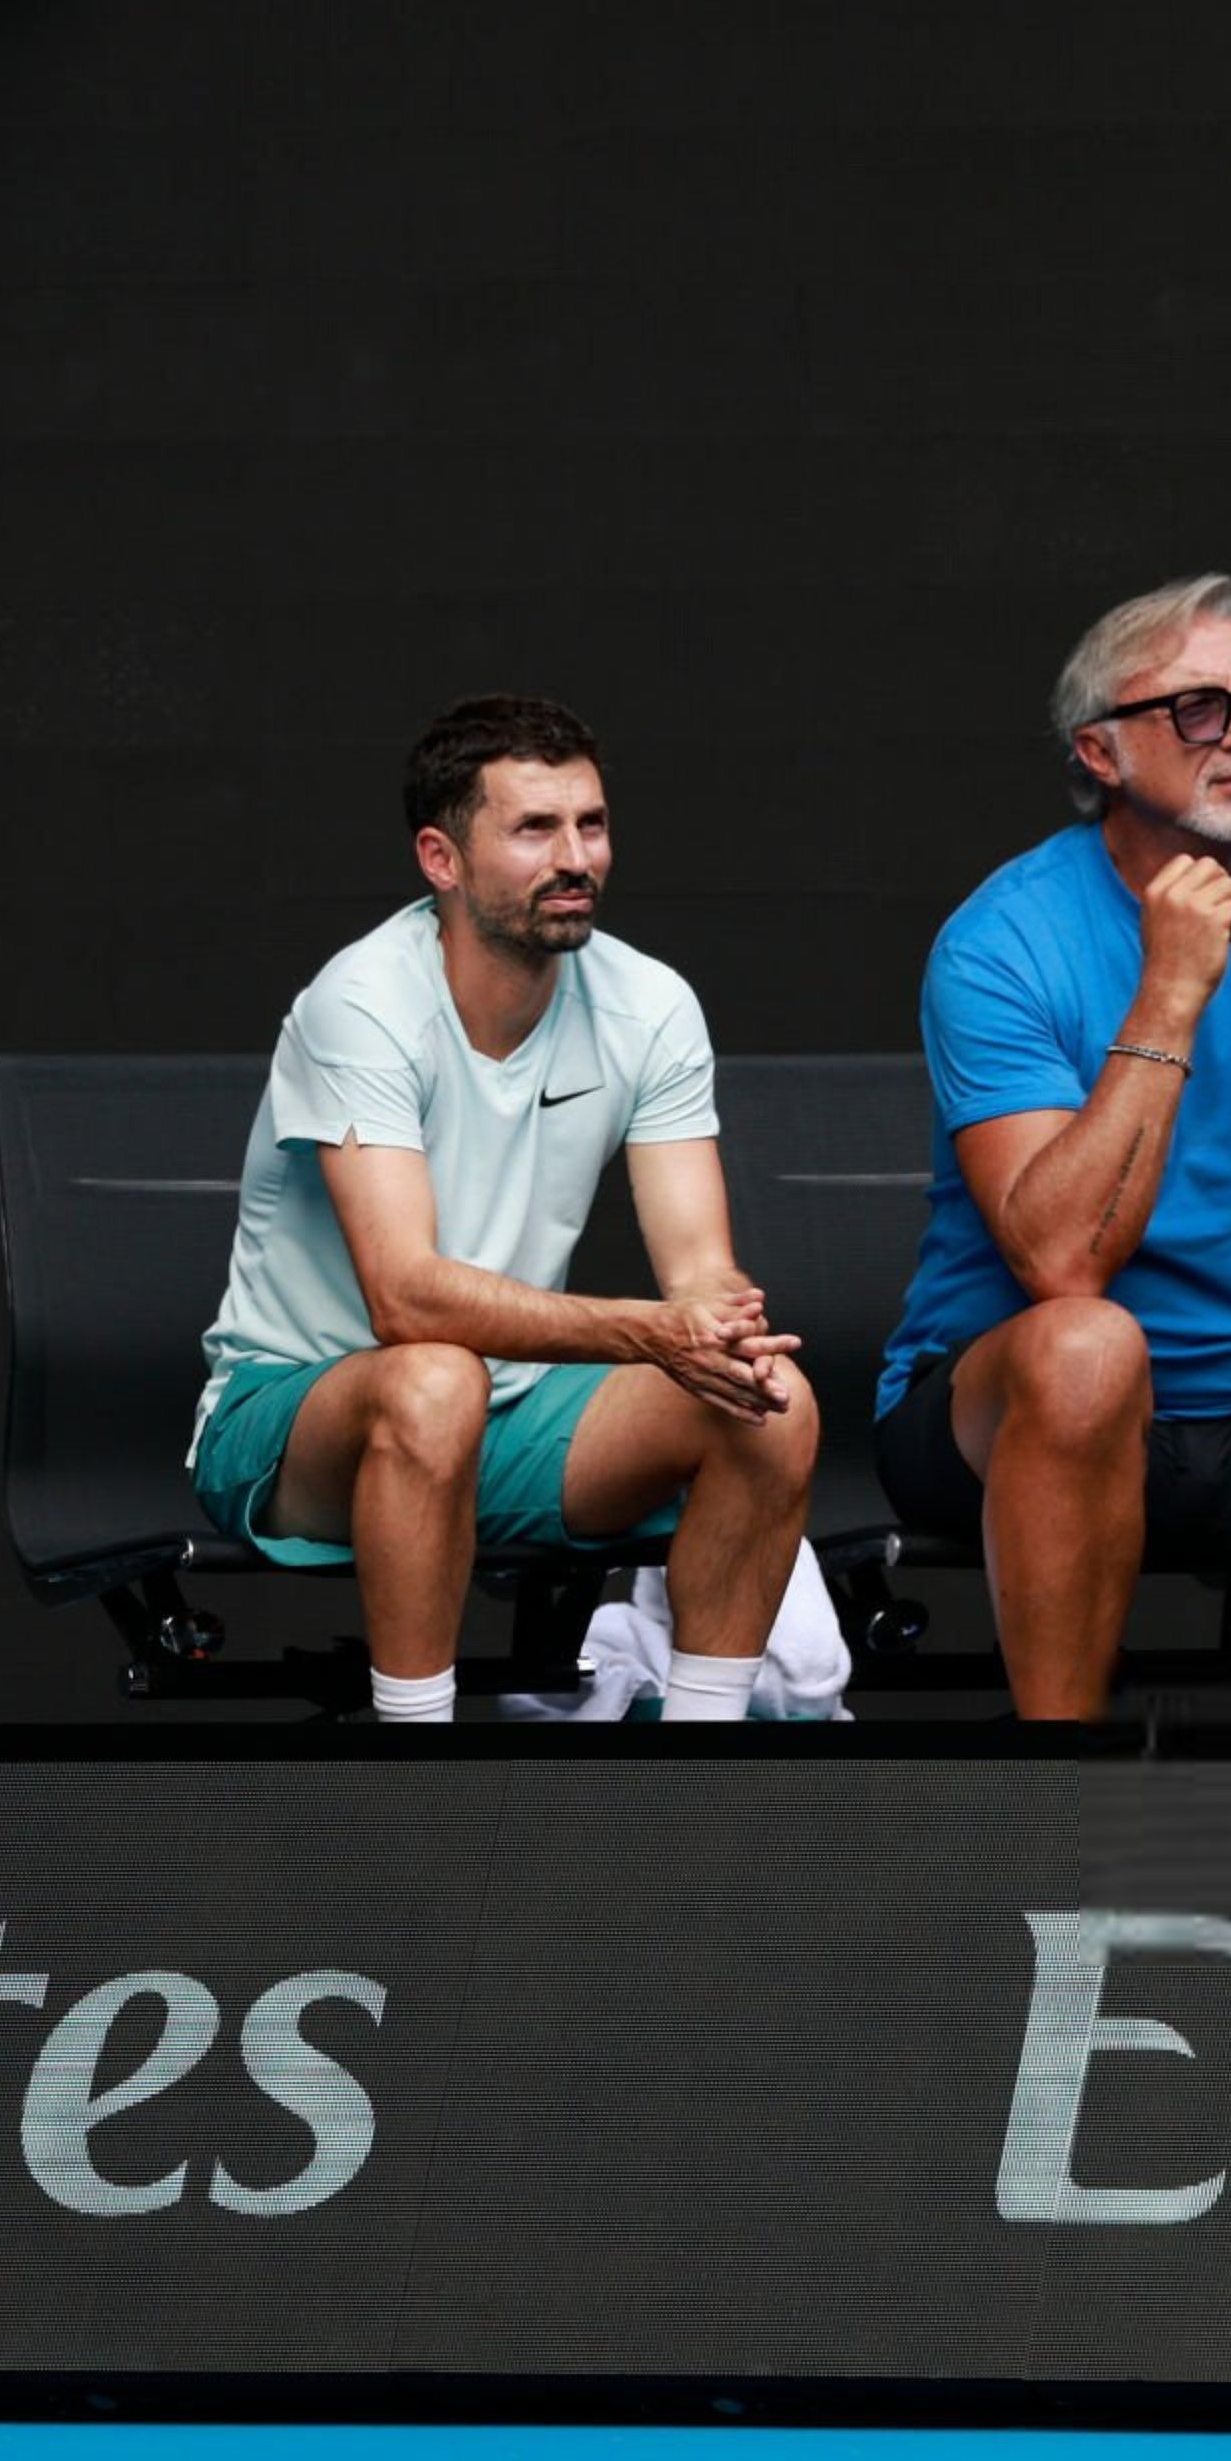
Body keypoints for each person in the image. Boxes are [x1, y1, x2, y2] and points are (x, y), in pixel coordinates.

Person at [874, 574, 1231, 1716]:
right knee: (1088, 1346)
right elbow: (1061, 1265)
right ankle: (1060, 1806)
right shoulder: (1001, 943)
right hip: (1018, 1413)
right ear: (1098, 754)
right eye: (1196, 709)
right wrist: (1168, 994)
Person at [191, 693, 815, 1722]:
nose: (577, 857)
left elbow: (699, 1263)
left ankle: (703, 1770)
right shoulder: (361, 1003)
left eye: (592, 824)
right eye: (535, 829)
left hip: (511, 1413)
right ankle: (417, 1770)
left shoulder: (650, 1003)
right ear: (441, 859)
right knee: (432, 1380)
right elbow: (406, 1298)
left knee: (770, 1400)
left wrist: (714, 1324)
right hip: (293, 1421)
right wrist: (646, 1332)